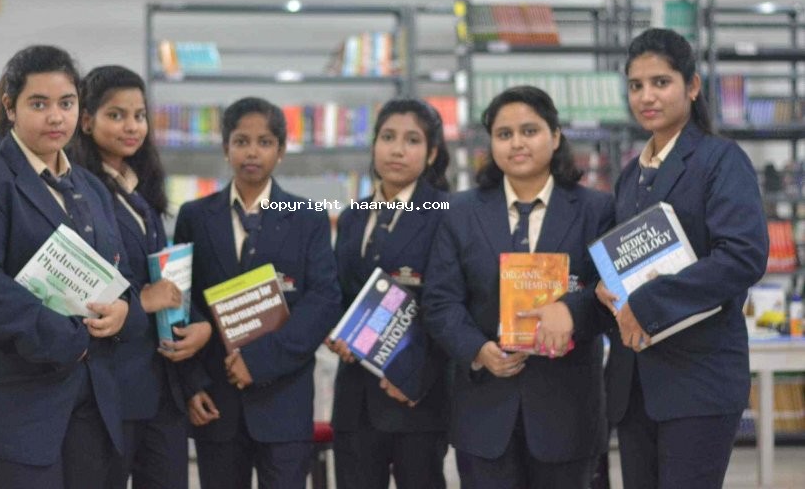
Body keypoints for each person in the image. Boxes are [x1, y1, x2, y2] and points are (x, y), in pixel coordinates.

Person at [0, 45, 146, 488]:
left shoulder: (91, 187)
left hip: (91, 404)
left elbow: (119, 270)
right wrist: (68, 338)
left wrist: (124, 308)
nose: (56, 117)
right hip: (10, 405)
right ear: (10, 107)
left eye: (66, 103)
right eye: (39, 104)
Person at [595, 28, 769, 489]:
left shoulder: (720, 160)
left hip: (698, 381)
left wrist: (646, 302)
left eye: (661, 82)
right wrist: (607, 286)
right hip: (635, 386)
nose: (646, 96)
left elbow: (743, 256)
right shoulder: (630, 176)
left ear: (692, 86)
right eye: (636, 85)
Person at [423, 86, 614, 489]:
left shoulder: (596, 209)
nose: (517, 143)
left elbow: (609, 293)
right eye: (504, 134)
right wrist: (477, 349)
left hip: (568, 411)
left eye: (530, 131)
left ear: (555, 136)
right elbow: (440, 301)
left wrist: (572, 310)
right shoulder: (459, 212)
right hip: (484, 412)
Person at [174, 96, 341, 489]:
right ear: (225, 147)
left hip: (283, 399)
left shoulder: (308, 218)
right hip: (215, 398)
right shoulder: (195, 216)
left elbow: (324, 301)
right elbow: (181, 302)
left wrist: (259, 361)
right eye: (241, 141)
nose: (252, 151)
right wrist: (191, 384)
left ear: (280, 151)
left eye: (264, 142)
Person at [70, 65, 213, 489]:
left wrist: (200, 326)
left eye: (139, 115)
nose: (132, 126)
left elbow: (164, 277)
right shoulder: (79, 191)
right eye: (116, 115)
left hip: (160, 385)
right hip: (111, 387)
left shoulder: (140, 191)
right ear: (87, 120)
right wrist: (144, 300)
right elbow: (89, 286)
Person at [327, 98, 451, 489]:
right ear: (374, 145)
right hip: (355, 400)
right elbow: (339, 292)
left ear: (432, 153)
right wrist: (335, 331)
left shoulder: (447, 213)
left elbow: (449, 304)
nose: (397, 150)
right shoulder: (352, 217)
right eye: (388, 137)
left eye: (412, 140)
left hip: (415, 397)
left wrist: (415, 377)